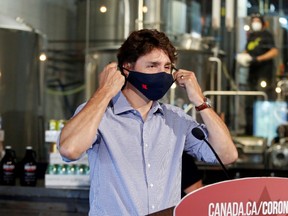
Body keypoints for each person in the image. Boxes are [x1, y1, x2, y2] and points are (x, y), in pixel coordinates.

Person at [58, 29, 238, 215]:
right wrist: (104, 92)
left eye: (167, 67)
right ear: (127, 68)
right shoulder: (99, 114)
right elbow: (69, 149)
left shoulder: (176, 119)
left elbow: (227, 155)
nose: (162, 73)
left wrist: (200, 102)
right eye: (152, 66)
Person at [244, 13, 278, 96]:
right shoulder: (251, 36)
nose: (255, 23)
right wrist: (242, 57)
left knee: (263, 95)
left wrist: (259, 58)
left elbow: (274, 51)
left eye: (257, 21)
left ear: (262, 23)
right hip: (252, 72)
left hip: (264, 72)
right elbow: (247, 50)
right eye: (254, 21)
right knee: (251, 96)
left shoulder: (267, 35)